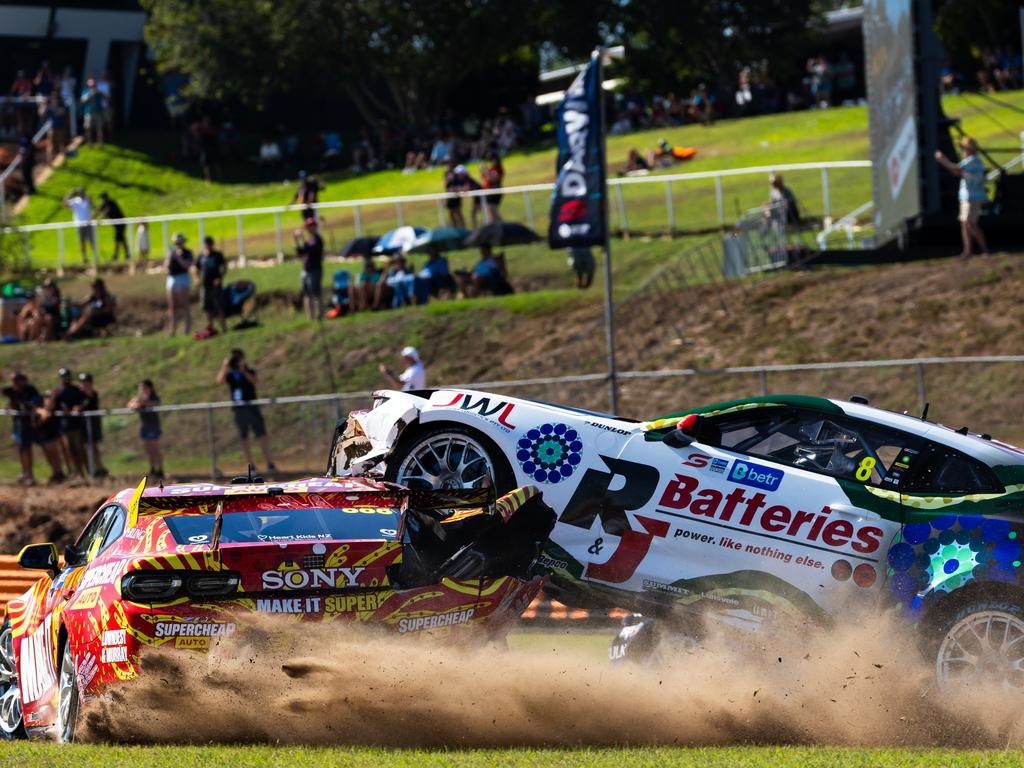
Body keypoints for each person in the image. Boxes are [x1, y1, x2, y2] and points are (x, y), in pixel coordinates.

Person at [217, 349, 277, 474]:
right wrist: (224, 366)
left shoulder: (249, 371)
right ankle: (251, 466)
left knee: (262, 435)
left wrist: (243, 371)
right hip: (239, 410)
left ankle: (270, 463)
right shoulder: (231, 374)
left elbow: (254, 381)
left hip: (252, 408)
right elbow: (220, 380)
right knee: (244, 438)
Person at [936, 137, 990, 259]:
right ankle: (967, 251)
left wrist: (942, 159)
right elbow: (957, 172)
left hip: (973, 197)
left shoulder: (973, 161)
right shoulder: (970, 162)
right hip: (966, 197)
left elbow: (956, 168)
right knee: (965, 224)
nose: (962, 150)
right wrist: (946, 163)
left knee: (971, 224)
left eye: (964, 148)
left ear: (969, 149)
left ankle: (984, 250)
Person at [3, 371, 43, 485]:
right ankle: (25, 472)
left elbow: (35, 403)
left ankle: (30, 475)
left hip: (28, 424)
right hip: (18, 424)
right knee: (21, 449)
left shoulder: (29, 390)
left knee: (27, 449)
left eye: (16, 380)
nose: (14, 383)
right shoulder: (12, 391)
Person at [54, 367, 86, 481]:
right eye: (63, 377)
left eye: (67, 376)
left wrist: (78, 407)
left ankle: (81, 473)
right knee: (69, 451)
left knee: (79, 449)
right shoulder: (58, 391)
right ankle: (74, 473)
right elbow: (54, 405)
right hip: (64, 426)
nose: (65, 379)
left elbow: (84, 401)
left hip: (76, 425)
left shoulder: (76, 389)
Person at [128, 380, 163, 479]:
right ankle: (152, 469)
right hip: (144, 426)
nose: (141, 390)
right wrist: (137, 404)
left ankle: (160, 469)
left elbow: (155, 403)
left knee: (155, 449)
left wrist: (143, 403)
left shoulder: (153, 397)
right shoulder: (139, 398)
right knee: (148, 449)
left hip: (153, 425)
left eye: (144, 387)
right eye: (140, 388)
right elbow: (131, 404)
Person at [77, 372, 108, 477]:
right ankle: (91, 468)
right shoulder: (79, 394)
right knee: (86, 447)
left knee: (94, 445)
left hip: (93, 423)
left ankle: (99, 467)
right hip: (83, 424)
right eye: (82, 382)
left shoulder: (93, 393)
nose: (84, 384)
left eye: (86, 382)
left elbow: (88, 401)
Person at [34, 390, 68, 484]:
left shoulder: (55, 407)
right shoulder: (41, 409)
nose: (48, 399)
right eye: (46, 397)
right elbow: (37, 422)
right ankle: (56, 472)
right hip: (44, 434)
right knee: (49, 455)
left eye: (49, 397)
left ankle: (59, 472)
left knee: (55, 454)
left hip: (53, 434)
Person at [196, 236, 227, 335]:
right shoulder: (201, 256)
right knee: (207, 307)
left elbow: (224, 267)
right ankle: (211, 327)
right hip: (205, 285)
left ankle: (223, 327)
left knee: (219, 306)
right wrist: (196, 278)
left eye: (209, 244)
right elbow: (195, 268)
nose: (207, 246)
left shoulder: (217, 255)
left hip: (215, 285)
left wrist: (220, 277)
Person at [294, 218, 324, 320]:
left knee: (316, 293)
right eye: (308, 226)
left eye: (312, 226)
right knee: (307, 294)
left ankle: (320, 314)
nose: (310, 228)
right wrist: (296, 240)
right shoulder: (309, 240)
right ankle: (310, 317)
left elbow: (310, 250)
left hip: (315, 270)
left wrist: (301, 238)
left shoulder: (318, 240)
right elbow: (301, 252)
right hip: (305, 270)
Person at [165, 232, 194, 336]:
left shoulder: (187, 253)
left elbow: (187, 266)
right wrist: (169, 257)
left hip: (182, 278)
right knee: (172, 306)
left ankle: (187, 329)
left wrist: (178, 257)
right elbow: (167, 266)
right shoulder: (172, 253)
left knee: (184, 304)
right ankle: (172, 329)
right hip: (172, 278)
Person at [63, 189, 98, 265]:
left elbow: (95, 208)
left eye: (83, 193)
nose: (82, 194)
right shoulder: (75, 201)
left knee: (92, 241)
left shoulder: (88, 200)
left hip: (88, 224)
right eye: (80, 193)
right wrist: (69, 194)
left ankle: (95, 257)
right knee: (82, 242)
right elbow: (65, 205)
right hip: (80, 224)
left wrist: (92, 217)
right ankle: (84, 258)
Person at [95, 192, 130, 261]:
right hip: (117, 225)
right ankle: (126, 254)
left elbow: (107, 212)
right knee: (121, 239)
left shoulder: (111, 203)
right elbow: (99, 210)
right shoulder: (106, 203)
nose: (102, 200)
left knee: (117, 239)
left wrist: (99, 220)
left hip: (121, 223)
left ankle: (116, 255)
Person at [80, 76, 105, 145]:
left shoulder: (99, 91)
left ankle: (100, 143)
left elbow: (105, 98)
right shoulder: (85, 91)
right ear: (87, 83)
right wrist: (90, 95)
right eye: (89, 82)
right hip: (88, 112)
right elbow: (82, 101)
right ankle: (89, 142)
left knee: (99, 128)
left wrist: (99, 93)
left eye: (92, 82)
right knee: (88, 128)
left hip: (97, 112)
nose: (91, 83)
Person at [481, 152, 504, 222]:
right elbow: (484, 178)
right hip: (489, 192)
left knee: (492, 209)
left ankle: (500, 225)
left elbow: (494, 179)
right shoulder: (491, 169)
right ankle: (497, 224)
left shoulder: (498, 169)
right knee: (490, 211)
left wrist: (486, 170)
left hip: (495, 192)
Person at [444, 161, 465, 228]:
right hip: (450, 195)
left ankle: (463, 227)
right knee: (451, 213)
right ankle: (455, 227)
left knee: (458, 212)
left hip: (456, 195)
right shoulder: (446, 174)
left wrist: (456, 188)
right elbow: (445, 185)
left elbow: (460, 183)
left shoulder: (456, 173)